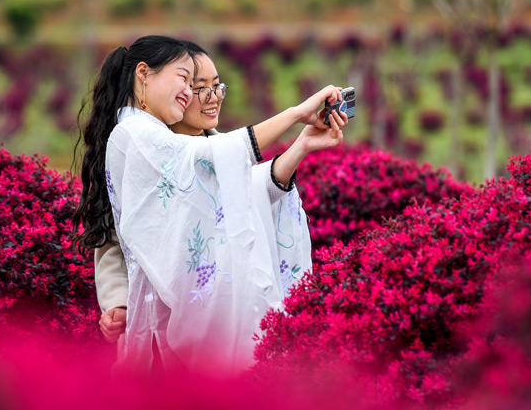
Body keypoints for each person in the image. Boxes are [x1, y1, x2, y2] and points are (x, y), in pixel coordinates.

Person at [74, 35, 346, 374]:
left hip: (199, 328)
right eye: (193, 84)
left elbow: (252, 187)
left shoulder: (206, 151)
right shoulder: (144, 140)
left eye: (214, 86)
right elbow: (117, 239)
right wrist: (117, 301)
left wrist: (301, 146)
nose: (209, 95)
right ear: (144, 75)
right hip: (165, 334)